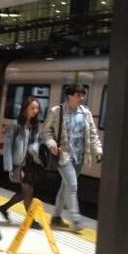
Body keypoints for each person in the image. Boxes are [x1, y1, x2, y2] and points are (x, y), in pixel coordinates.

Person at [41, 84, 103, 233]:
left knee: (66, 186)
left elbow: (93, 135)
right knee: (72, 186)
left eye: (83, 95)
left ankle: (56, 217)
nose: (82, 98)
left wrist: (98, 151)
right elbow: (45, 132)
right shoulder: (57, 111)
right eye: (78, 95)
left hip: (80, 157)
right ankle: (76, 220)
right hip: (63, 156)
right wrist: (51, 144)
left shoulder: (86, 113)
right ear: (69, 96)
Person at [0, 98, 43, 228]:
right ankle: (30, 221)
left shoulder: (35, 126)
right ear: (25, 109)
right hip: (19, 164)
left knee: (25, 192)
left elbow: (37, 141)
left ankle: (3, 208)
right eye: (32, 108)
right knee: (28, 191)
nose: (35, 111)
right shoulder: (15, 125)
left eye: (37, 108)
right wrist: (9, 167)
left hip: (29, 164)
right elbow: (7, 146)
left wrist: (35, 146)